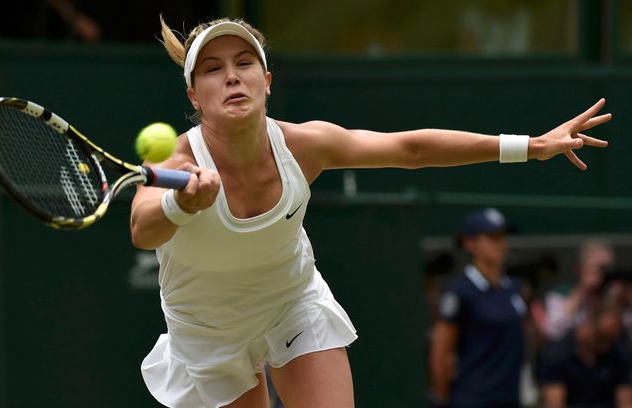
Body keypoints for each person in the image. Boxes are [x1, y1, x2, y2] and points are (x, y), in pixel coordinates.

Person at [129, 16, 611, 408]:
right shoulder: (174, 160)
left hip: (289, 304)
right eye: (212, 69)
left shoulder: (306, 145)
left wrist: (532, 145)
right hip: (208, 331)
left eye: (244, 62)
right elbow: (142, 229)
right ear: (194, 95)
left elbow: (411, 149)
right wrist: (180, 202)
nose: (232, 75)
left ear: (267, 81)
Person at [428, 208, 527, 408]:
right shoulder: (459, 292)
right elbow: (440, 354)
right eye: (492, 237)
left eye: (502, 236)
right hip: (472, 399)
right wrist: (444, 398)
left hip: (510, 398)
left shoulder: (514, 288)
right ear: (470, 243)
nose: (500, 244)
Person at [539, 307, 632, 408]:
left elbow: (625, 400)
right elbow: (555, 403)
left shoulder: (618, 354)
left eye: (610, 339)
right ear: (588, 325)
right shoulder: (557, 354)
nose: (606, 345)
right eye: (601, 338)